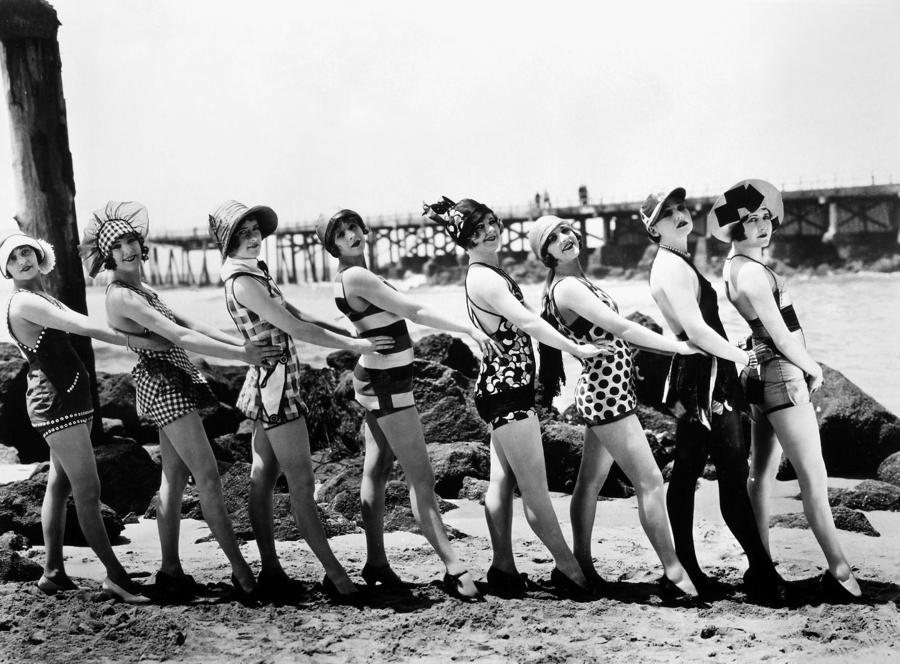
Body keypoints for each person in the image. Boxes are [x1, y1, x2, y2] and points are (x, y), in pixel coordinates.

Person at [80, 201, 281, 600]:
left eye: (131, 240)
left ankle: (170, 571)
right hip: (162, 384)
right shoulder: (121, 295)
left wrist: (238, 341)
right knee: (207, 477)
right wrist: (244, 357)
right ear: (107, 255)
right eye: (117, 245)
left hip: (171, 380)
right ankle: (243, 574)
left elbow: (190, 323)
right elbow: (180, 337)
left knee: (171, 480)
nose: (127, 250)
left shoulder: (143, 288)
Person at [424, 197, 613, 600]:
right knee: (535, 490)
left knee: (501, 481)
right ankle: (571, 571)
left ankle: (504, 569)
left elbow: (531, 314)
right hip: (507, 394)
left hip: (502, 389)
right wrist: (576, 350)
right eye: (476, 231)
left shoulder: (488, 271)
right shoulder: (485, 277)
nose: (489, 232)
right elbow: (526, 321)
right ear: (464, 239)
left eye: (490, 223)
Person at [209, 201, 394, 602]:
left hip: (267, 382)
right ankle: (336, 576)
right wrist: (354, 344)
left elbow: (293, 312)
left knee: (263, 479)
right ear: (227, 242)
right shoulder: (243, 281)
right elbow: (292, 326)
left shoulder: (250, 272)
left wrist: (344, 327)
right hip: (277, 387)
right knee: (302, 484)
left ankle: (271, 568)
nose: (254, 238)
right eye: (243, 234)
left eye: (256, 230)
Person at [315, 208, 495, 601]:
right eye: (341, 234)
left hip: (378, 380)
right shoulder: (357, 276)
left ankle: (376, 562)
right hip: (387, 387)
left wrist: (354, 344)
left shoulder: (348, 277)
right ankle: (454, 567)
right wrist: (466, 328)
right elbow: (411, 310)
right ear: (332, 246)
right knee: (422, 480)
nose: (351, 235)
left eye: (354, 227)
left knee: (377, 471)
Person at [528, 215, 700, 600]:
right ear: (546, 254)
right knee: (651, 481)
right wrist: (681, 346)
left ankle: (580, 565)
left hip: (609, 391)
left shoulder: (575, 283)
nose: (565, 238)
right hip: (606, 396)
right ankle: (674, 572)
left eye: (566, 230)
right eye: (553, 238)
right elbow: (620, 327)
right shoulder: (567, 288)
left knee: (589, 483)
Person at [709, 179, 862, 602]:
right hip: (780, 373)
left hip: (759, 375)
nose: (761, 226)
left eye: (763, 218)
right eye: (749, 221)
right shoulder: (755, 273)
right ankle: (842, 573)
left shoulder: (733, 268)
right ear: (735, 228)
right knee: (814, 478)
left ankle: (761, 566)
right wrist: (813, 369)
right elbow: (780, 334)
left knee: (761, 474)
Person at [2, 233, 170, 604]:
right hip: (55, 404)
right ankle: (116, 577)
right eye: (13, 259)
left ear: (39, 254)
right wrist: (146, 339)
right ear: (6, 269)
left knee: (59, 486)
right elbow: (86, 326)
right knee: (89, 492)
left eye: (26, 251)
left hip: (69, 400)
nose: (23, 260)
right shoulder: (26, 301)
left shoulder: (40, 295)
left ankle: (53, 571)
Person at [643, 187, 788, 604]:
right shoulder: (670, 266)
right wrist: (738, 357)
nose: (680, 215)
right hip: (706, 375)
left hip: (698, 375)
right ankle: (759, 572)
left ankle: (691, 570)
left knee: (691, 472)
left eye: (681, 208)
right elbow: (696, 328)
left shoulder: (674, 261)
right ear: (653, 228)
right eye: (667, 214)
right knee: (726, 471)